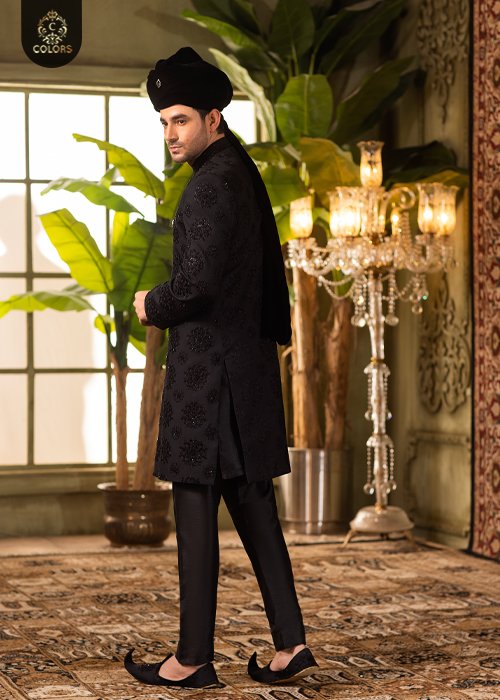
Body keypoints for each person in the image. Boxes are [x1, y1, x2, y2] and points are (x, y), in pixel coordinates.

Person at [124, 47, 318, 690]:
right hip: (244, 369)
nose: (170, 134)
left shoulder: (210, 185)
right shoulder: (238, 170)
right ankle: (290, 644)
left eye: (180, 120)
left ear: (213, 118)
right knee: (254, 505)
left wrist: (152, 303)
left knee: (195, 504)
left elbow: (196, 286)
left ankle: (191, 659)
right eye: (163, 122)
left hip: (209, 380)